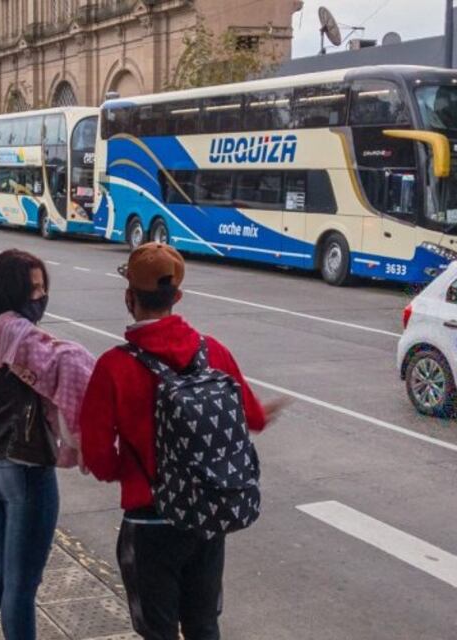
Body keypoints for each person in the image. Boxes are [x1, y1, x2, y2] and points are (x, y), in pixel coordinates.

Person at [80, 243, 287, 640]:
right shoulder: (214, 352)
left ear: (129, 297)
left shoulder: (114, 367)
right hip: (207, 519)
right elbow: (253, 418)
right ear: (177, 297)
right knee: (204, 625)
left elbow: (99, 459)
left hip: (149, 521)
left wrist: (136, 468)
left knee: (157, 632)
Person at [0, 249, 86, 640]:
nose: (40, 297)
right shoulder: (14, 332)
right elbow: (65, 366)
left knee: (1, 566)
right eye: (32, 289)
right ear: (10, 291)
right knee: (22, 584)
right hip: (23, 468)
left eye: (43, 288)